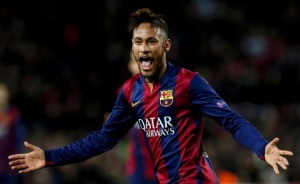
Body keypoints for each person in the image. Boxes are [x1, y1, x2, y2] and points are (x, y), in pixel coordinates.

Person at [8, 8, 293, 184]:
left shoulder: (189, 83)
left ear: (165, 45)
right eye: (138, 42)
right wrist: (49, 157)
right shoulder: (130, 91)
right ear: (133, 48)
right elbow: (102, 140)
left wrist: (262, 148)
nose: (144, 48)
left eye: (151, 41)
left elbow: (231, 121)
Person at [125, 52, 159, 184]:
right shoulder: (124, 94)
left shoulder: (168, 92)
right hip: (138, 170)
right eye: (136, 62)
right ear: (130, 66)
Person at [0, 82, 27, 184]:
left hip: (10, 165)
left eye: (2, 95)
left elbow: (21, 136)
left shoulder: (14, 114)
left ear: (7, 96)